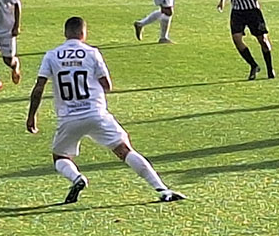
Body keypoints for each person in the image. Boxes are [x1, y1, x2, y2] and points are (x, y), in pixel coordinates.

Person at [27, 16, 185, 205]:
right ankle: (162, 189)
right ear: (83, 33)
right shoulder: (92, 53)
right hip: (96, 114)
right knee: (125, 150)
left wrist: (32, 117)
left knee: (60, 157)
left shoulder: (51, 55)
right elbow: (107, 84)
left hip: (68, 118)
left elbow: (38, 88)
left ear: (65, 33)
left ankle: (77, 178)